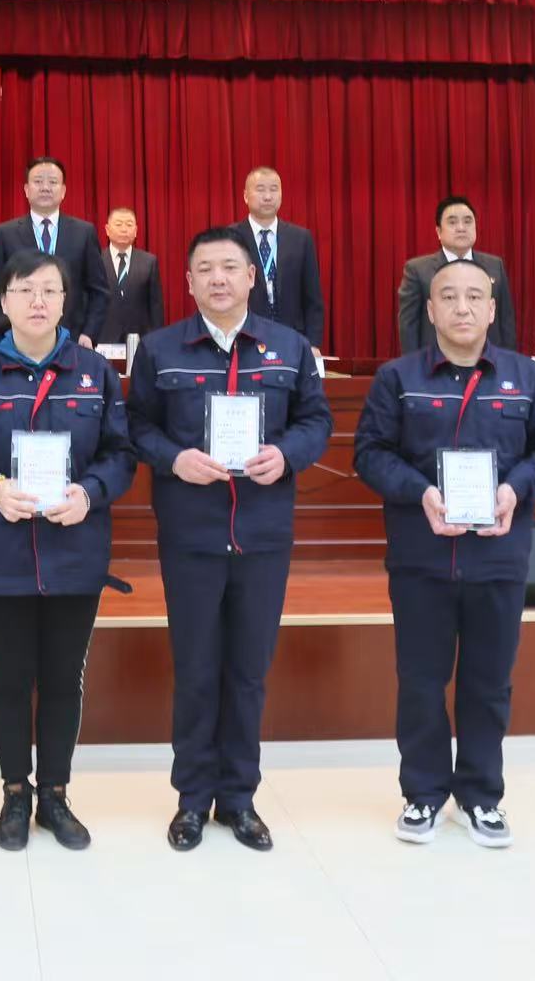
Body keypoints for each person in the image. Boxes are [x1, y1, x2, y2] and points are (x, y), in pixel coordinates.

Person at [353, 259, 535, 848]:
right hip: (420, 557)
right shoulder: (397, 378)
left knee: (488, 682)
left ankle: (481, 796)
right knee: (421, 682)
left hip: (499, 557)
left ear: (492, 309)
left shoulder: (527, 378)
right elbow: (370, 453)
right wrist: (421, 493)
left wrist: (515, 489)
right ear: (429, 311)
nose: (462, 307)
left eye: (475, 297)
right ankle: (423, 794)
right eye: (449, 297)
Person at [126, 227, 333, 852]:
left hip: (263, 534)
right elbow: (135, 424)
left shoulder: (290, 348)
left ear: (250, 278)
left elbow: (317, 419)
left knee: (248, 672)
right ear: (188, 282)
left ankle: (239, 797)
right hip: (191, 534)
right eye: (205, 269)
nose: (217, 278)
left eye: (229, 267)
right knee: (195, 670)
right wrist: (173, 458)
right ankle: (192, 798)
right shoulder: (160, 349)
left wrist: (288, 454)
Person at [0, 250, 136, 852]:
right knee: (11, 679)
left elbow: (121, 455)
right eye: (25, 290)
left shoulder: (94, 372)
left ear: (66, 301)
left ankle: (56, 794)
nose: (38, 301)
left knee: (65, 678)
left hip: (75, 552)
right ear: (4, 301)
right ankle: (15, 792)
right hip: (0, 554)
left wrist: (90, 492)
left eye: (50, 290)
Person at [0, 157, 110, 349]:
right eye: (38, 181)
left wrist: (89, 333)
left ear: (63, 191)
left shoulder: (84, 233)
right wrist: (4, 333)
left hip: (73, 340)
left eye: (52, 182)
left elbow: (99, 291)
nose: (45, 187)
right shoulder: (5, 234)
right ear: (26, 190)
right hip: (19, 342)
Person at [397, 195, 518, 354]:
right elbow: (408, 327)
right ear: (439, 232)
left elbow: (506, 322)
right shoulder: (418, 270)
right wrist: (414, 366)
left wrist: (507, 361)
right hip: (436, 363)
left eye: (468, 221)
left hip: (488, 362)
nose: (461, 228)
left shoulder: (494, 266)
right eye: (452, 222)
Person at [232, 166, 325, 351]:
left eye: (274, 189)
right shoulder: (230, 237)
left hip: (293, 340)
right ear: (245, 196)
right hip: (244, 340)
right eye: (260, 190)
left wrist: (313, 344)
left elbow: (313, 299)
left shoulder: (301, 238)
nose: (268, 196)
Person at [100, 207, 164, 346]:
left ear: (135, 231)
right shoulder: (96, 260)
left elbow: (155, 306)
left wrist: (156, 339)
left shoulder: (149, 261)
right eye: (118, 224)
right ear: (107, 230)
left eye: (129, 225)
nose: (124, 229)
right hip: (103, 338)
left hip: (140, 340)